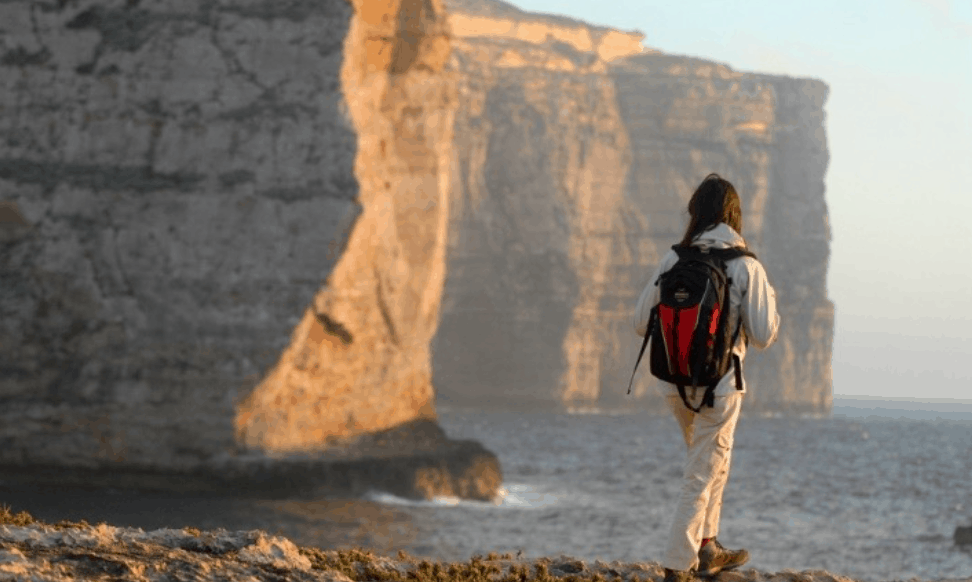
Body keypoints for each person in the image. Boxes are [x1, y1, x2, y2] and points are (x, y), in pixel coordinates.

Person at [632, 173, 780, 582]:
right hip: (721, 385)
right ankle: (679, 563)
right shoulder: (746, 265)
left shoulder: (674, 259)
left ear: (697, 213)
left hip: (674, 383)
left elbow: (638, 322)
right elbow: (764, 334)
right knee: (702, 470)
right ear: (734, 216)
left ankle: (708, 546)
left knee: (713, 461)